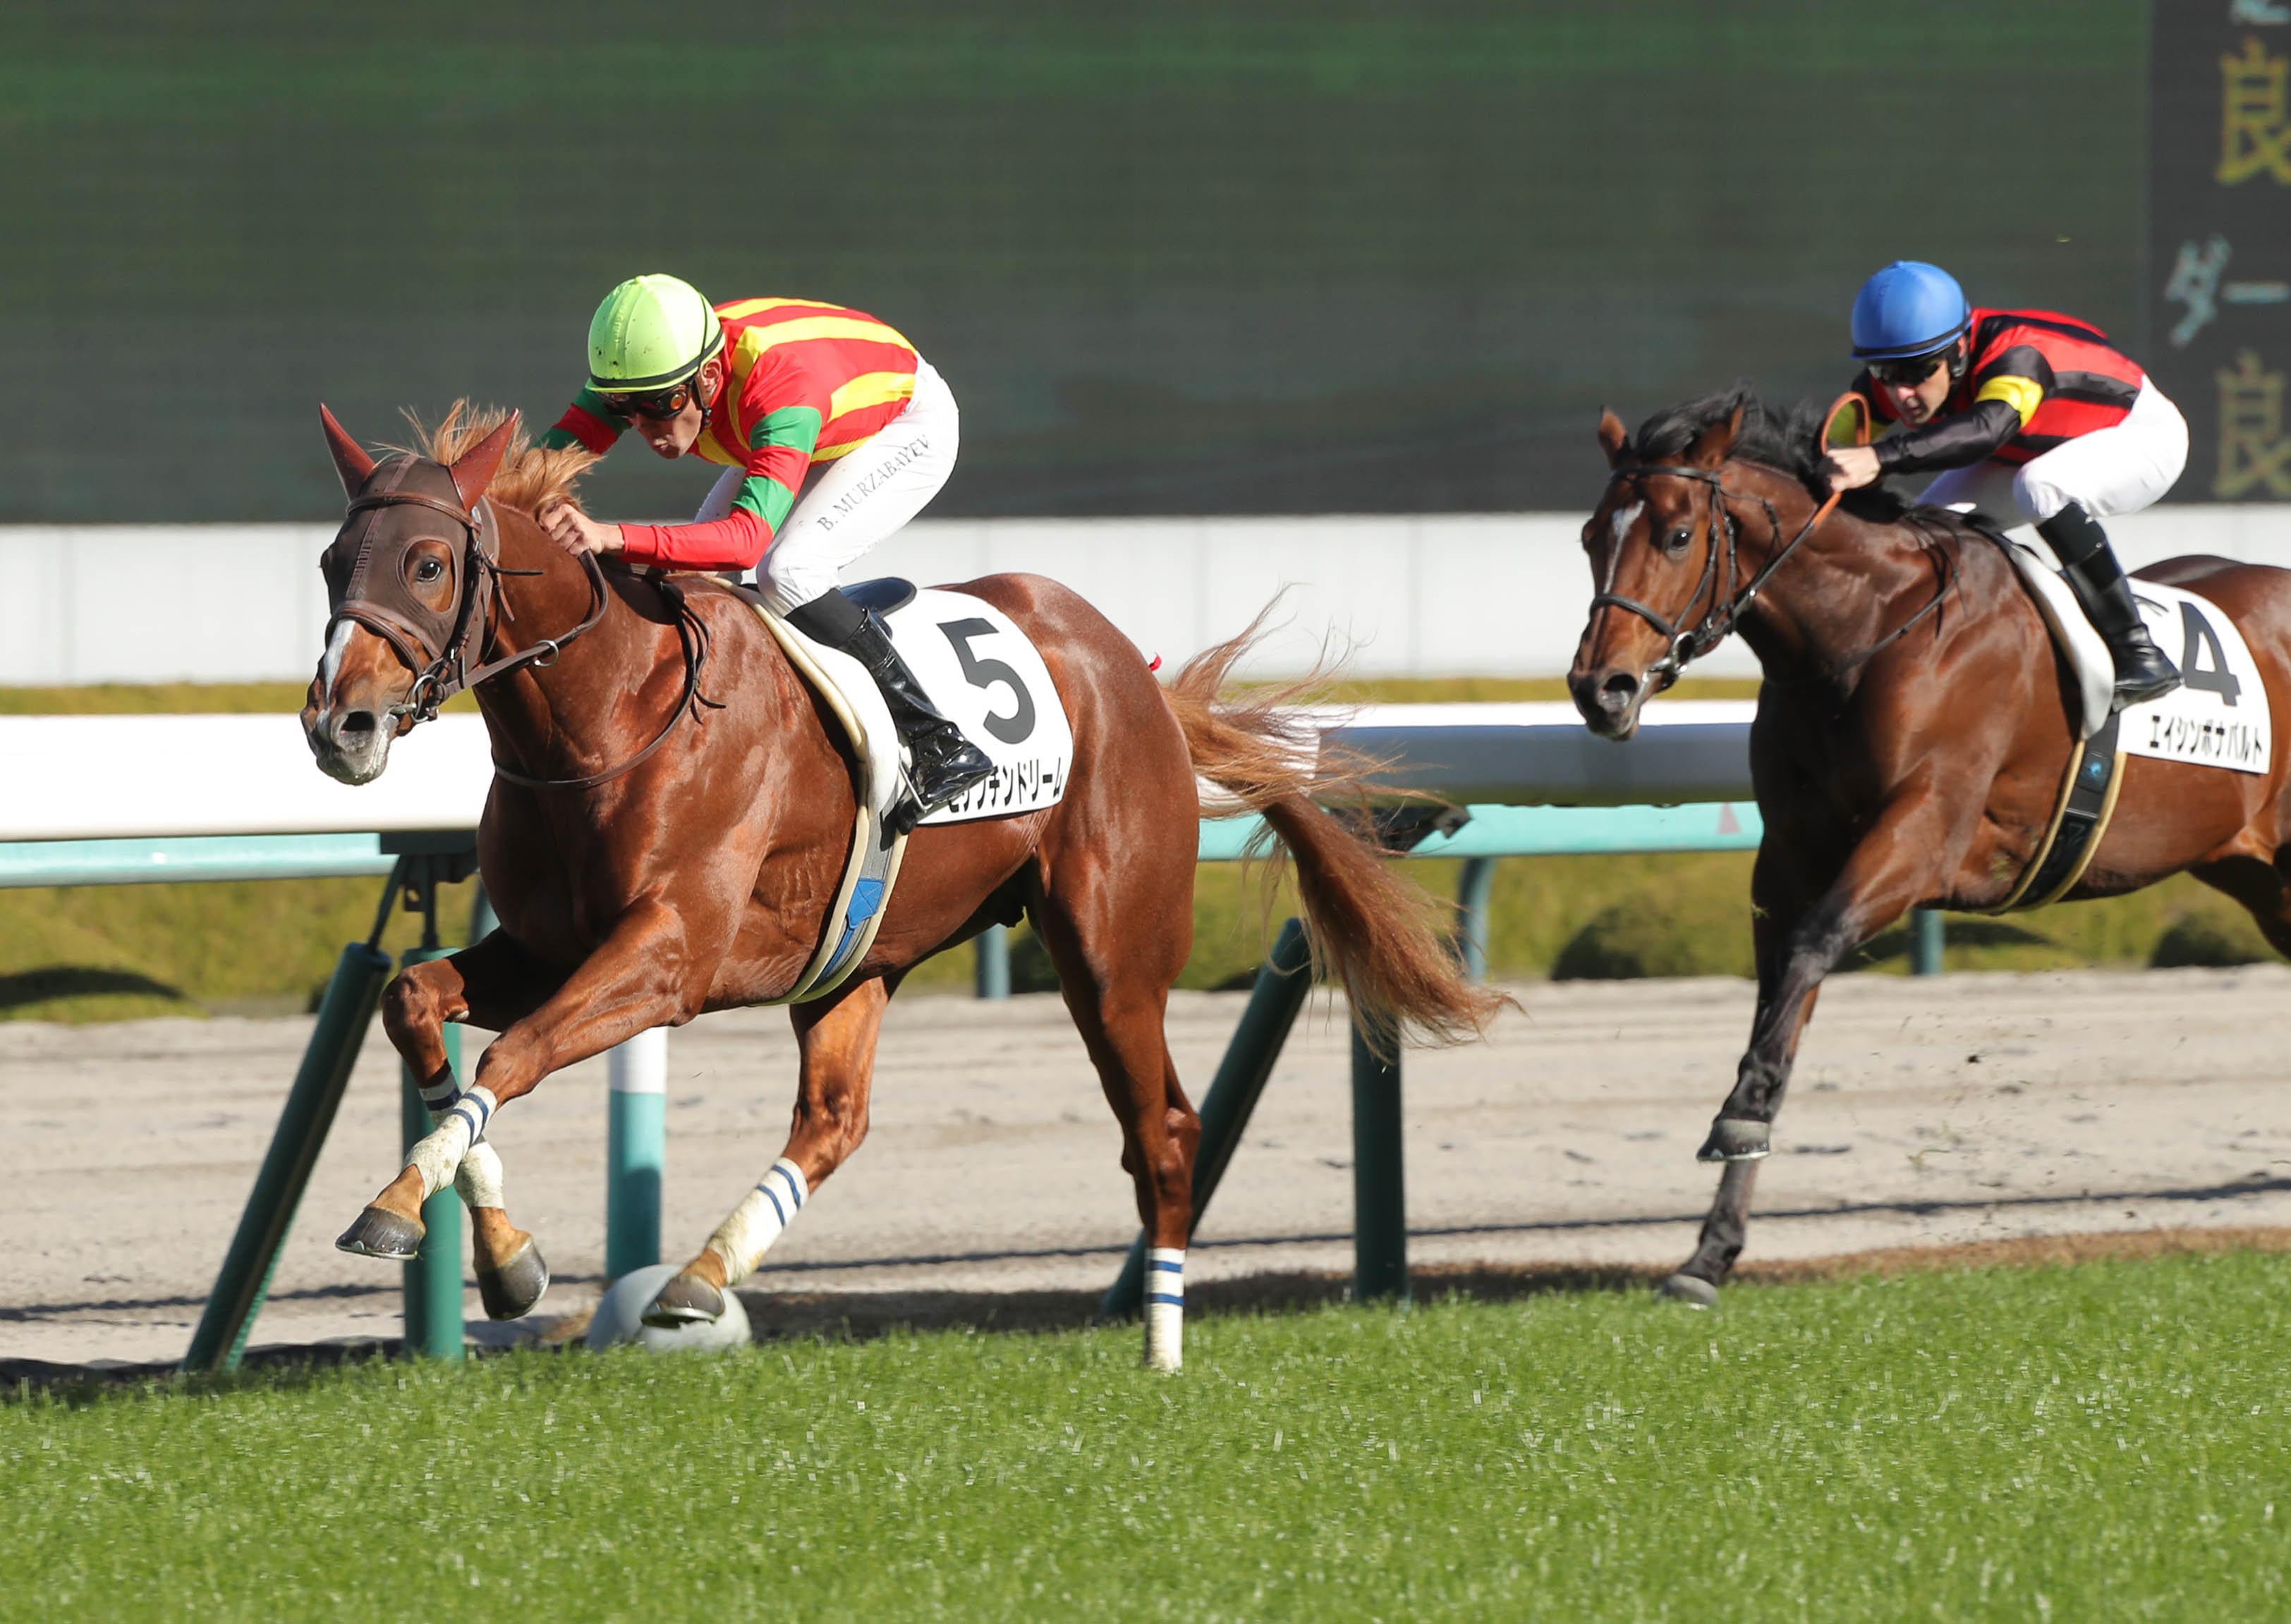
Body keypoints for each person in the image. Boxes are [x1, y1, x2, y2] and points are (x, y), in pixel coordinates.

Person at [536, 274, 994, 822]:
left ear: (709, 377)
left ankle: (936, 738)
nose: (641, 425)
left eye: (659, 405)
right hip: (817, 409)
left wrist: (611, 535)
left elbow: (744, 542)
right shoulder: (649, 369)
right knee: (693, 577)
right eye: (622, 407)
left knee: (790, 570)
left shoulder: (778, 390)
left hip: (904, 424)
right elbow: (540, 465)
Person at [1825, 260, 2185, 709]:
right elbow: (1825, 449)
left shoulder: (2018, 357)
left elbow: (1987, 430)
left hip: (2142, 436)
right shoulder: (1904, 373)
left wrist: (1880, 457)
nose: (1901, 394)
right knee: (1928, 529)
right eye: (1885, 373)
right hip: (2030, 449)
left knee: (2040, 488)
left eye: (1918, 372)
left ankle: (2139, 651)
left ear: (1959, 349)